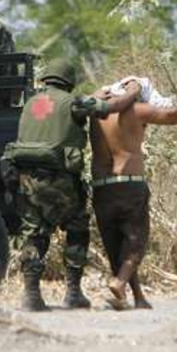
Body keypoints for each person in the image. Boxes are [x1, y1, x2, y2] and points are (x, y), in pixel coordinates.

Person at [5, 58, 141, 311]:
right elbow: (113, 107)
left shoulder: (31, 102)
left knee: (33, 234)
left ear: (46, 79)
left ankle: (31, 295)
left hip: (27, 181)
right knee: (78, 228)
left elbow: (57, 111)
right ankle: (73, 293)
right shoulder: (75, 102)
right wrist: (134, 91)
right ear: (69, 82)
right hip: (61, 181)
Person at [90, 77, 177, 310]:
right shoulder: (138, 110)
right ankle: (119, 282)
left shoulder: (95, 115)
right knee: (136, 243)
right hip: (129, 185)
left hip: (101, 187)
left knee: (116, 245)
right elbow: (172, 115)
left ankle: (135, 297)